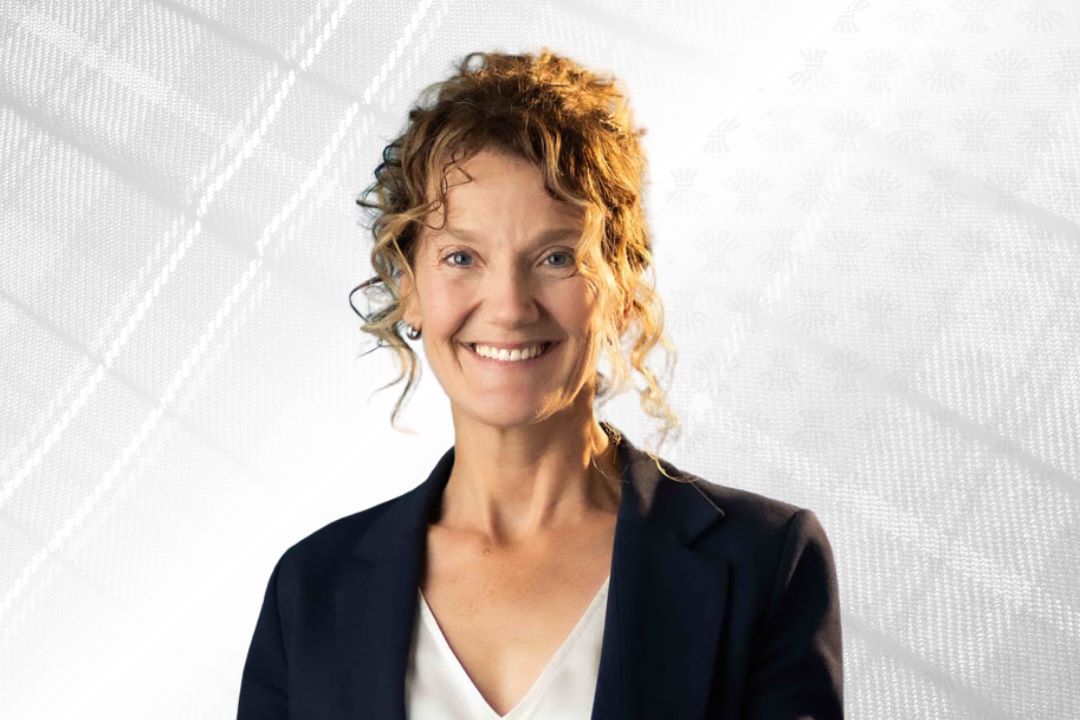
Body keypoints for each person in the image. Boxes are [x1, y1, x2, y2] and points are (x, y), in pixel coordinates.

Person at [237, 49, 843, 719]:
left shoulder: (764, 561)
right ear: (407, 287)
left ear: (621, 288)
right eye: (461, 257)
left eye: (556, 257)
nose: (508, 306)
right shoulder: (311, 589)